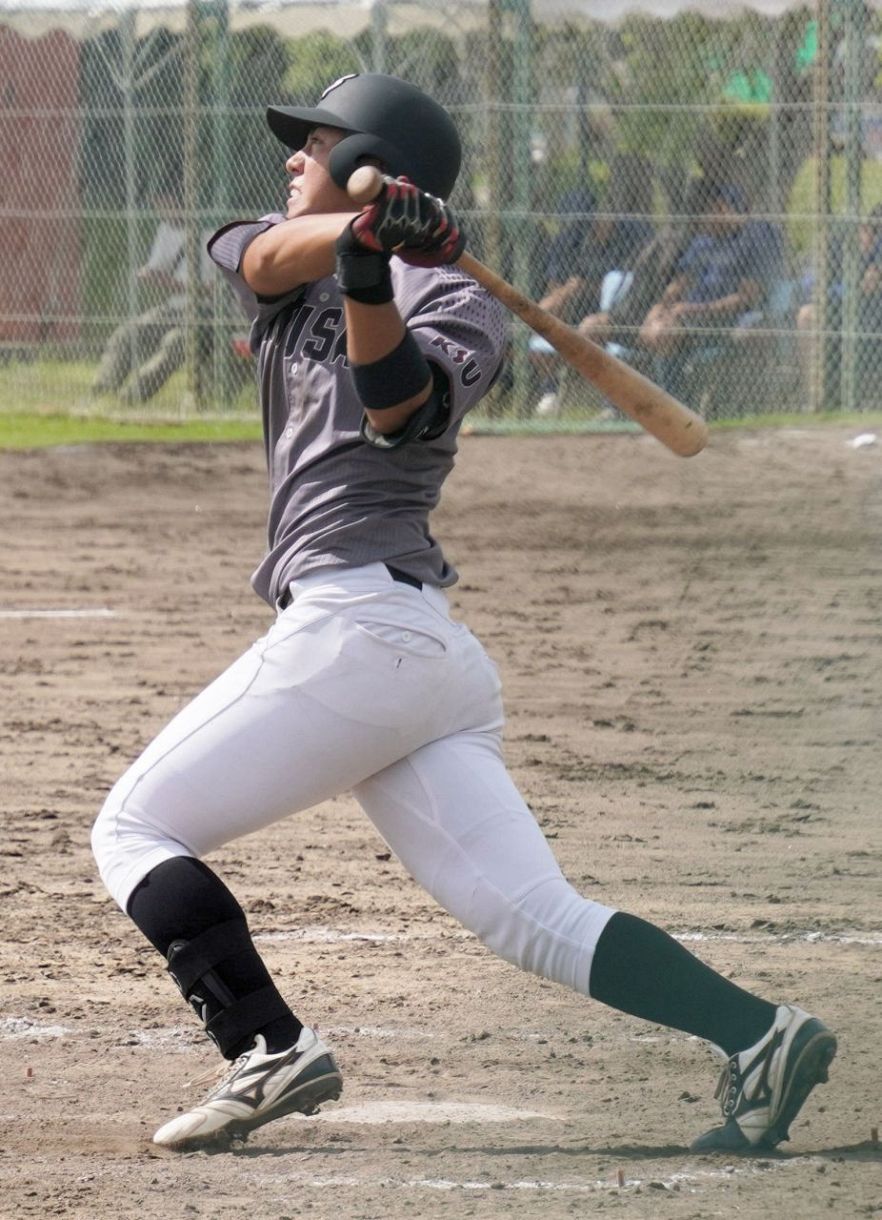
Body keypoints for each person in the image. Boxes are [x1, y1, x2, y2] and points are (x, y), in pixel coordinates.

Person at [91, 73, 836, 1155]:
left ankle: (265, 1045)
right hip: (410, 657)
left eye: (316, 144)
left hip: (361, 629)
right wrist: (357, 235)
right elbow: (254, 255)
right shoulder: (282, 255)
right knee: (528, 915)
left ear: (371, 161)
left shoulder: (456, 298)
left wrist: (374, 266)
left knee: (133, 825)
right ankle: (759, 1033)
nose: (291, 160)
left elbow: (398, 409)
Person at [531, 157, 653, 417]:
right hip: (575, 311)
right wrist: (570, 290)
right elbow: (553, 292)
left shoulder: (628, 236)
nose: (586, 227)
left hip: (617, 317)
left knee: (594, 323)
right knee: (541, 323)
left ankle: (611, 402)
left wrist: (586, 287)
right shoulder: (569, 240)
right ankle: (550, 391)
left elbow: (629, 285)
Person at [638, 182, 784, 400]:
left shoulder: (757, 235)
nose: (700, 225)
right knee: (653, 330)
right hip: (690, 317)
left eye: (703, 216)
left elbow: (747, 298)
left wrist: (697, 309)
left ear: (720, 209)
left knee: (664, 334)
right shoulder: (704, 241)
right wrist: (660, 308)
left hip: (729, 319)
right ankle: (674, 401)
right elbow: (680, 284)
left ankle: (674, 405)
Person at [93, 191, 214, 405]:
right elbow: (157, 268)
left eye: (167, 206)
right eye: (159, 207)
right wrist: (151, 275)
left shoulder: (211, 232)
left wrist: (173, 285)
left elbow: (214, 290)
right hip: (173, 308)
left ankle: (129, 399)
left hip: (206, 314)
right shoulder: (166, 230)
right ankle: (102, 393)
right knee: (126, 334)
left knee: (174, 343)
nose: (163, 213)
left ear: (183, 201)